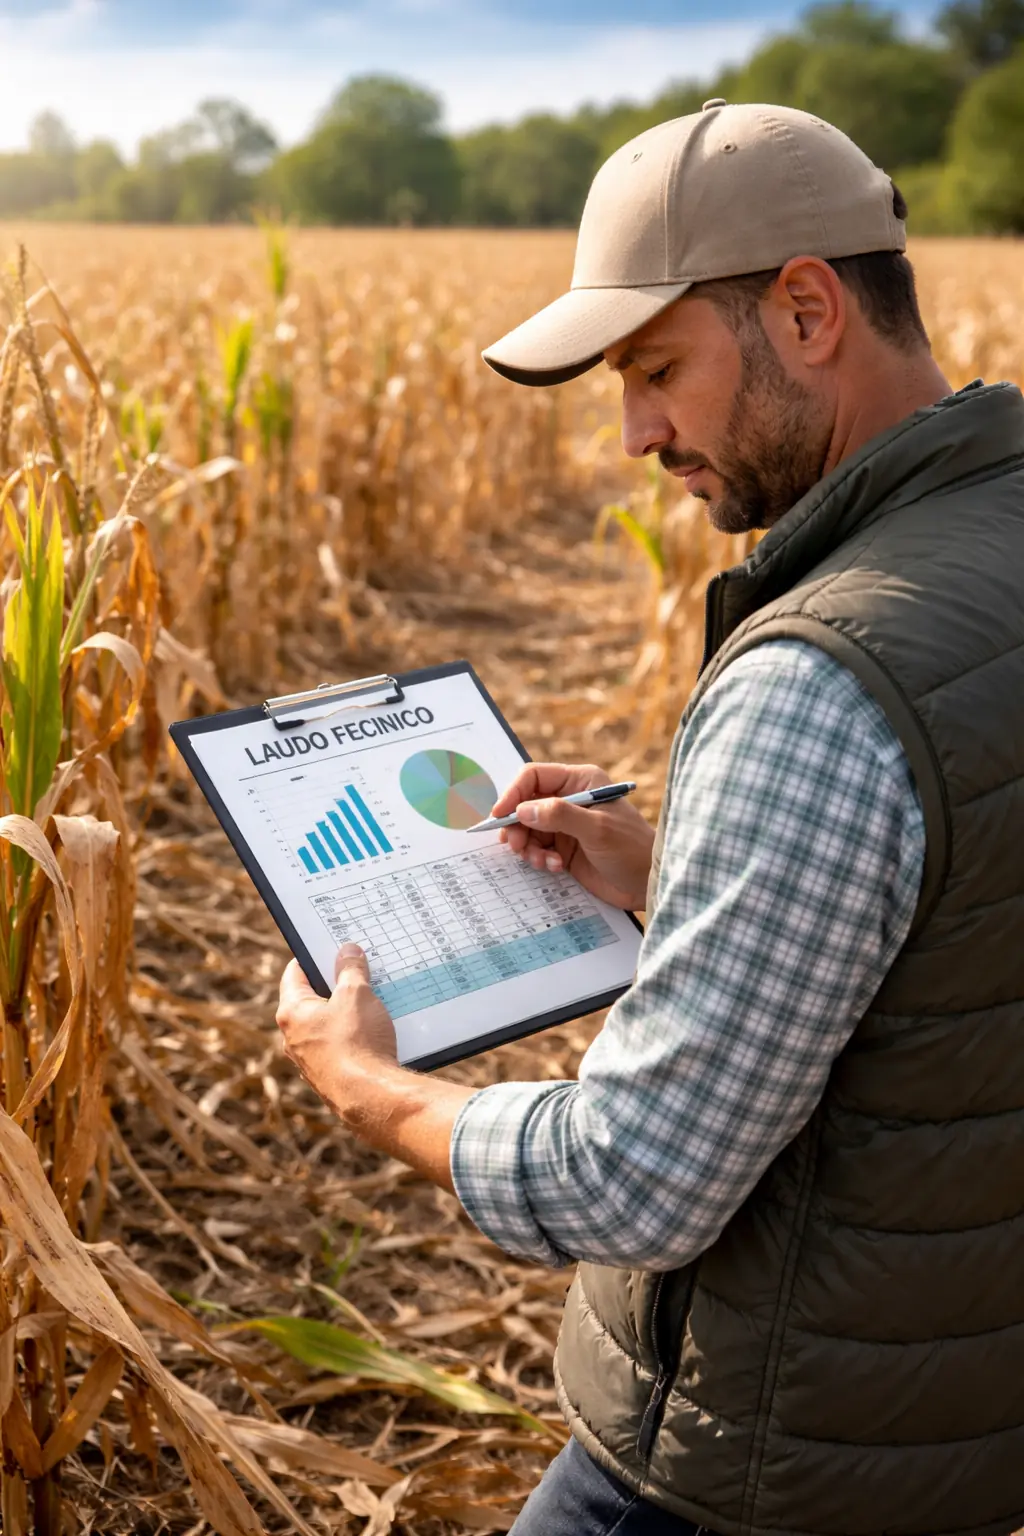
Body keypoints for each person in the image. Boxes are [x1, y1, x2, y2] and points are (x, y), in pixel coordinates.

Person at [276, 101, 1024, 1536]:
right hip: (957, 1427)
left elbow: (638, 1181)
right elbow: (967, 914)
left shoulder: (824, 678)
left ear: (807, 309)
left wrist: (372, 1091)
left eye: (658, 368)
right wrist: (676, 869)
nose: (635, 435)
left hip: (754, 1461)